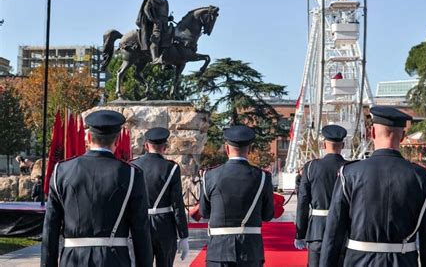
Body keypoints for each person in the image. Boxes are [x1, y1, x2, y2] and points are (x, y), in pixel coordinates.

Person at [320, 106, 426, 267]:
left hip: (358, 261)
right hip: (403, 261)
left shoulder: (349, 173)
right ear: (403, 136)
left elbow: (333, 234)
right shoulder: (422, 177)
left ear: (372, 133)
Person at [41, 110, 153, 267]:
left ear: (88, 138)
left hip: (73, 260)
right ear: (117, 140)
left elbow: (50, 230)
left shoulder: (61, 171)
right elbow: (141, 232)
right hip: (114, 259)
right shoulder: (132, 174)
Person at [199, 125, 274, 266]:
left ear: (227, 149)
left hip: (219, 250)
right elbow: (268, 215)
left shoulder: (210, 176)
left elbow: (204, 212)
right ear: (250, 150)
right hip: (251, 250)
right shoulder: (263, 177)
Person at [132, 127, 189, 266]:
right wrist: (183, 235)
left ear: (146, 146)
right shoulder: (171, 168)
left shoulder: (133, 166)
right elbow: (177, 205)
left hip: (141, 223)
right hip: (165, 225)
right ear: (165, 147)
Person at [294, 124, 349, 266]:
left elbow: (303, 202)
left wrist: (300, 233)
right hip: (342, 230)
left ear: (324, 144)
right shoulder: (350, 168)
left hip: (317, 231)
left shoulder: (311, 167)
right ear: (342, 145)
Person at [136, 0, 172, 65]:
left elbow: (164, 13)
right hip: (158, 22)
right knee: (156, 38)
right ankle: (155, 58)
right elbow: (146, 9)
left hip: (165, 22)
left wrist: (169, 18)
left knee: (169, 39)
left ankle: (167, 59)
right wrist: (153, 19)